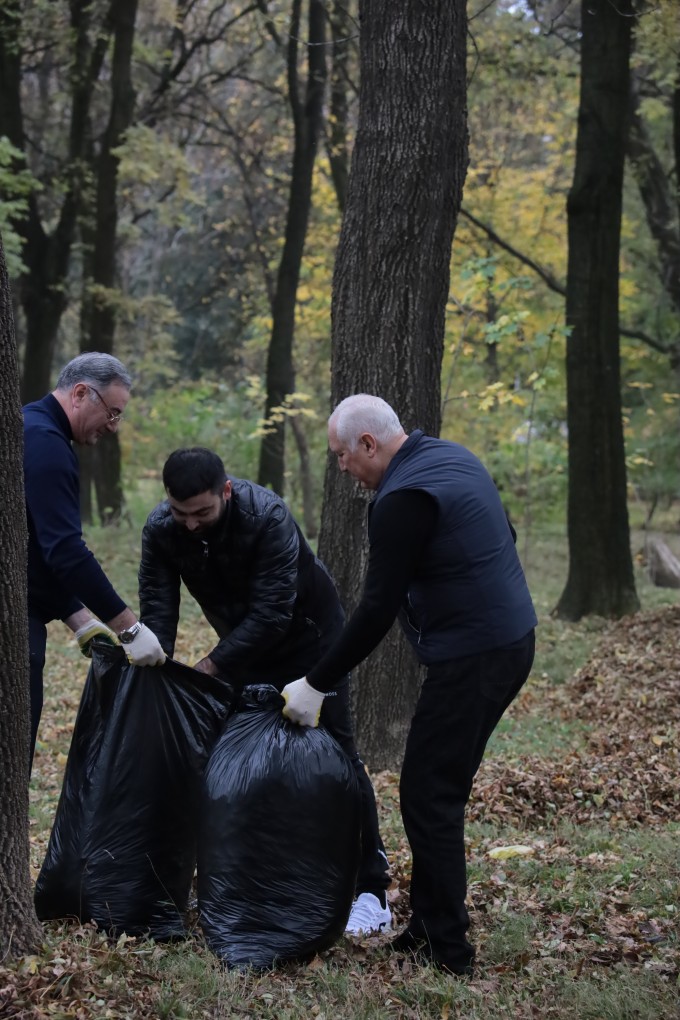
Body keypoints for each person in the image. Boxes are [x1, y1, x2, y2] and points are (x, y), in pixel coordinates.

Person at [281, 394, 537, 976]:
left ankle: (447, 950)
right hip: (510, 640)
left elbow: (375, 609)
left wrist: (316, 684)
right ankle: (426, 926)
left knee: (430, 797)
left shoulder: (400, 500)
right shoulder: (452, 458)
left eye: (343, 456)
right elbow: (508, 531)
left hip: (475, 657)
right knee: (433, 790)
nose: (342, 468)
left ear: (369, 444)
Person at [137, 446, 392, 935]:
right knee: (231, 756)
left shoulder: (267, 516)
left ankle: (371, 890)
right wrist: (162, 673)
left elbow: (274, 613)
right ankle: (257, 871)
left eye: (202, 513)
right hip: (241, 646)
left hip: (311, 642)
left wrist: (210, 665)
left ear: (226, 492)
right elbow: (159, 609)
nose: (190, 524)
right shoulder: (162, 530)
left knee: (338, 754)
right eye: (179, 512)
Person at [23, 352, 166, 764]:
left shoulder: (29, 425)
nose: (113, 426)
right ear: (81, 393)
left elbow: (28, 544)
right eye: (112, 412)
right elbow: (65, 551)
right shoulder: (47, 446)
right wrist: (130, 629)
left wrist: (78, 616)